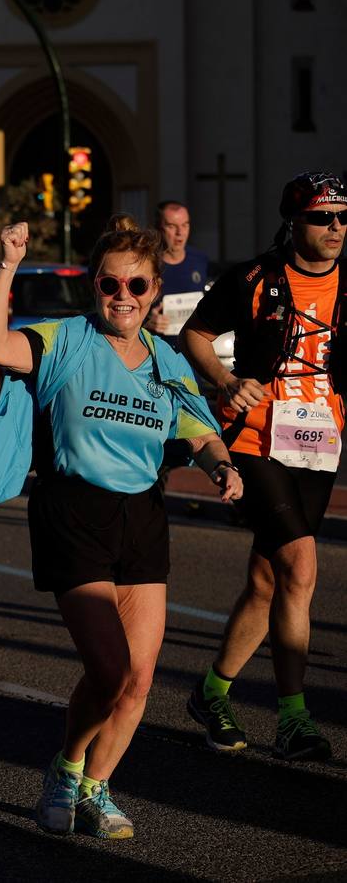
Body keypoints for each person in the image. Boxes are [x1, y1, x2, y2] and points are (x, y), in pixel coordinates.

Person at [0, 216, 241, 839]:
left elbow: (197, 429)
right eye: (111, 284)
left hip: (141, 516)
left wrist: (222, 467)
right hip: (72, 512)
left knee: (140, 680)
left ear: (154, 290)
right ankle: (65, 769)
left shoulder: (166, 358)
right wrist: (7, 265)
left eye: (136, 286)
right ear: (95, 285)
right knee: (110, 669)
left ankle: (96, 788)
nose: (123, 296)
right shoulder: (64, 338)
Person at [180, 172, 345, 761]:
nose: (335, 228)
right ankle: (294, 718)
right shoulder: (256, 277)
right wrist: (226, 381)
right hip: (256, 439)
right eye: (323, 218)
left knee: (266, 580)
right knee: (300, 566)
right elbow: (194, 333)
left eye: (343, 217)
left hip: (319, 443)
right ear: (295, 222)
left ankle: (211, 692)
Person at [144, 201, 210, 347]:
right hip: (158, 351)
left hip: (194, 354)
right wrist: (147, 323)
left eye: (185, 225)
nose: (180, 232)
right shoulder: (146, 265)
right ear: (158, 228)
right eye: (172, 226)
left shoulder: (200, 260)